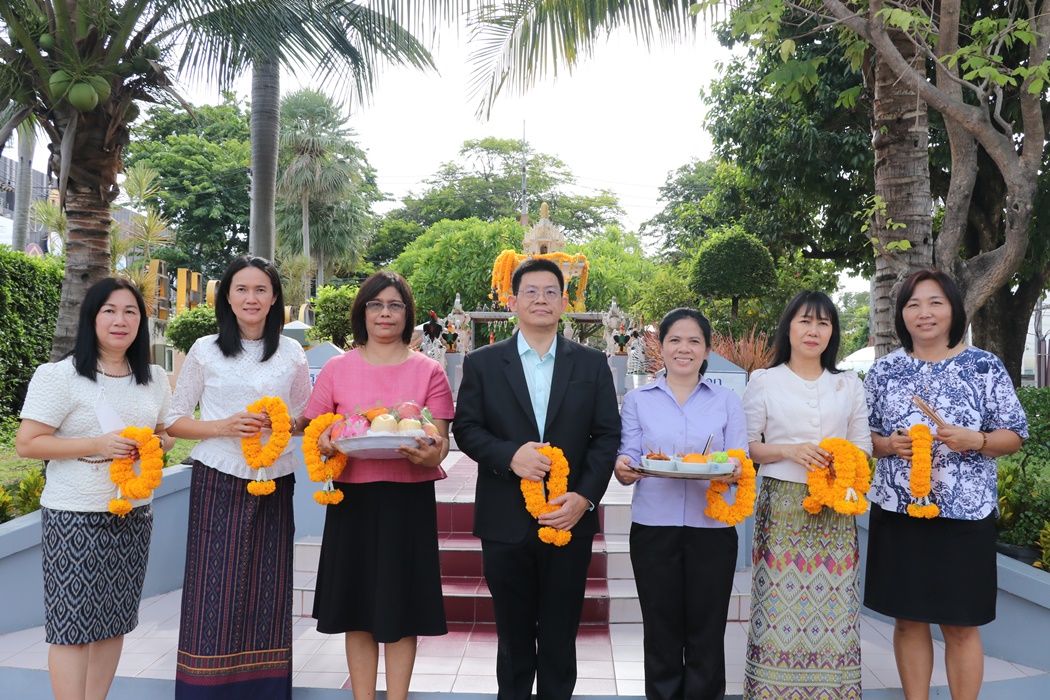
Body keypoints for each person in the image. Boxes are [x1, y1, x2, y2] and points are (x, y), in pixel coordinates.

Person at [453, 257, 621, 700]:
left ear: (564, 302)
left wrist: (584, 497)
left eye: (550, 292)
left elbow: (607, 436)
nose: (541, 299)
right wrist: (510, 456)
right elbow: (466, 428)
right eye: (530, 291)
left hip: (569, 518)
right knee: (512, 637)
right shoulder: (484, 363)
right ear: (513, 302)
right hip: (505, 520)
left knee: (561, 636)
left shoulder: (591, 364)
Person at [864, 269, 1027, 700]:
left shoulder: (983, 366)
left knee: (961, 625)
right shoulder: (884, 371)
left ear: (953, 309)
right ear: (901, 314)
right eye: (913, 304)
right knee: (907, 620)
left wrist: (978, 440)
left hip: (965, 514)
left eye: (935, 302)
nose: (925, 312)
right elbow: (863, 438)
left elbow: (1014, 434)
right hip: (899, 510)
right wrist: (887, 445)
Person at [16, 277, 173, 700]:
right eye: (110, 311)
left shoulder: (154, 378)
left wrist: (154, 445)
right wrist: (97, 445)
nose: (120, 320)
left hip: (134, 514)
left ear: (141, 321)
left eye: (130, 312)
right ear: (91, 318)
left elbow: (164, 434)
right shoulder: (59, 376)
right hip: (74, 516)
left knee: (113, 622)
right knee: (71, 629)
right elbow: (27, 443)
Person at [303, 271, 453, 700]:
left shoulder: (430, 371)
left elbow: (440, 441)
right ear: (362, 312)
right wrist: (326, 440)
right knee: (357, 609)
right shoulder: (337, 368)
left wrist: (433, 454)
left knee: (404, 609)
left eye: (394, 305)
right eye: (376, 304)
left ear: (407, 314)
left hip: (409, 499)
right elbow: (317, 428)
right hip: (353, 499)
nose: (385, 313)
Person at [166, 256, 311, 699]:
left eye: (261, 289)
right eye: (242, 289)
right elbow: (174, 419)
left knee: (269, 587)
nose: (252, 298)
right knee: (213, 589)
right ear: (226, 297)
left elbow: (305, 418)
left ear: (275, 298)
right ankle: (204, 691)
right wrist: (222, 427)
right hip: (218, 479)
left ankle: (265, 689)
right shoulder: (204, 349)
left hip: (275, 479)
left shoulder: (291, 353)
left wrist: (281, 422)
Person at [740, 291, 872, 699]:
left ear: (832, 332)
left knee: (835, 608)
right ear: (789, 328)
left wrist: (841, 459)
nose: (813, 331)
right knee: (777, 605)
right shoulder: (764, 380)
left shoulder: (848, 384)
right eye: (805, 321)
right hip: (781, 506)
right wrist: (788, 451)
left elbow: (863, 446)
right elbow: (747, 447)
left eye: (823, 323)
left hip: (836, 510)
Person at [613, 307, 747, 700]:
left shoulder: (727, 401)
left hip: (713, 529)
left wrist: (733, 469)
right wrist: (623, 467)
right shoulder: (638, 400)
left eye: (693, 341)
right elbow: (629, 454)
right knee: (661, 631)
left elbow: (739, 460)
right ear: (661, 346)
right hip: (654, 528)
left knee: (708, 632)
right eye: (674, 340)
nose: (683, 349)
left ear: (707, 350)